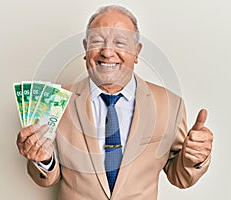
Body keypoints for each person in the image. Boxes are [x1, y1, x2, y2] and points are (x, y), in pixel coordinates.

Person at [16, 5, 213, 200]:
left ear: (136, 51)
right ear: (85, 48)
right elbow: (46, 178)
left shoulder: (170, 104)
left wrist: (192, 159)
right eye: (98, 41)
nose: (107, 53)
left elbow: (179, 177)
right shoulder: (56, 101)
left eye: (120, 43)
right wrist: (43, 160)